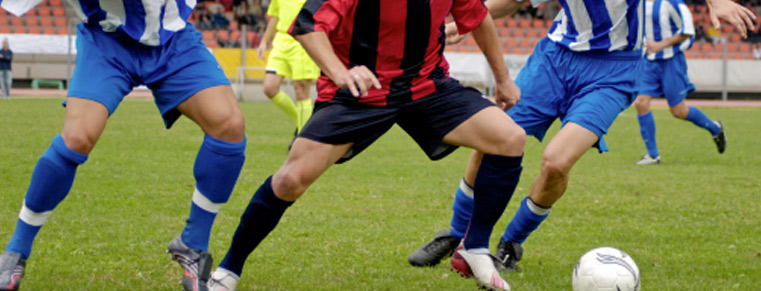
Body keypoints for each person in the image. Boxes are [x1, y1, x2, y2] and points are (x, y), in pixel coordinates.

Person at [409, 0, 755, 272]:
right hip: (554, 61)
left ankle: (510, 244)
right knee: (494, 138)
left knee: (556, 163)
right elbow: (515, 1)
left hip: (613, 71)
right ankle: (456, 234)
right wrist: (460, 24)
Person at [207, 0, 527, 290]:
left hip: (426, 87)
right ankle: (229, 269)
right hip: (359, 93)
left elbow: (478, 17)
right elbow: (308, 24)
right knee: (290, 179)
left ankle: (474, 248)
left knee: (509, 138)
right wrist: (339, 72)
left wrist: (503, 78)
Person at [0, 1, 248, 291]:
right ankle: (16, 250)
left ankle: (193, 244)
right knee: (77, 138)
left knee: (229, 126)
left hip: (173, 40)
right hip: (108, 39)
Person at [633, 0, 726, 166]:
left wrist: (661, 44)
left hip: (671, 61)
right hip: (649, 61)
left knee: (678, 111)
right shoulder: (639, 3)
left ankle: (715, 128)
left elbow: (688, 31)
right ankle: (653, 155)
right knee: (640, 102)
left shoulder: (673, 3)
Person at [255, 0, 319, 135]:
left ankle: (303, 138)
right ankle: (301, 120)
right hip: (281, 41)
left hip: (303, 40)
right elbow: (275, 16)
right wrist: (263, 41)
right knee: (269, 88)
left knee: (301, 90)